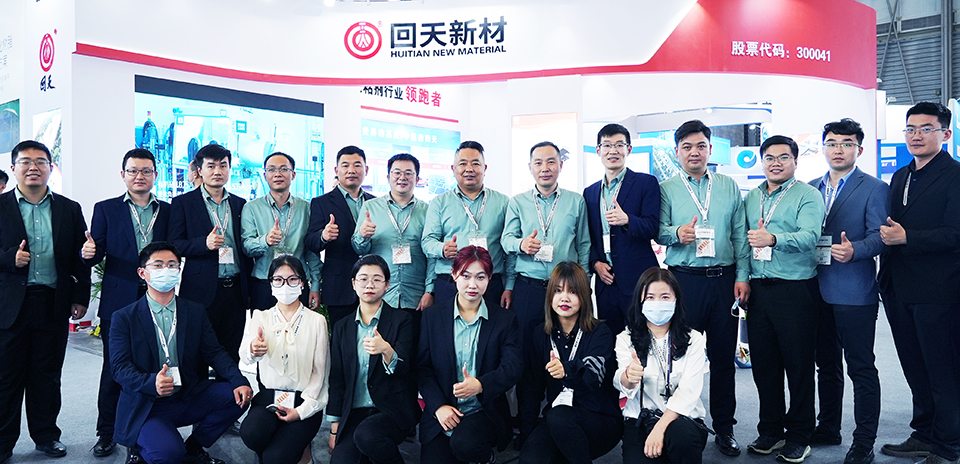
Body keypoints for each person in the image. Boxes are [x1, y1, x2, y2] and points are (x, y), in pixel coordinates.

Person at [111, 241, 253, 464]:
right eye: (158, 265)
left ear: (179, 270)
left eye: (172, 265)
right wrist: (151, 382)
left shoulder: (194, 311)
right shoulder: (124, 317)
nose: (165, 270)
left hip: (186, 395)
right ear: (142, 273)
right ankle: (140, 447)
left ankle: (194, 447)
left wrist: (238, 380)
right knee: (168, 455)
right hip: (148, 403)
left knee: (237, 397)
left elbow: (215, 352)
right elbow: (119, 369)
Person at [657, 120, 750, 456]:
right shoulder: (666, 188)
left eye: (700, 146)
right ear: (677, 152)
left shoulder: (728, 186)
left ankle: (724, 428)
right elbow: (658, 229)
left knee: (723, 358)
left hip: (724, 280)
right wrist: (675, 233)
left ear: (710, 149)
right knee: (681, 357)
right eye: (687, 147)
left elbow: (739, 234)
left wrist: (743, 275)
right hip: (684, 281)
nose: (694, 152)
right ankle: (685, 425)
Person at [878, 101, 960, 464]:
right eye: (910, 129)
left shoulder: (955, 175)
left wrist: (908, 237)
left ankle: (948, 445)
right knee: (915, 368)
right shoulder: (901, 175)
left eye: (926, 128)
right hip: (899, 288)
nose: (916, 135)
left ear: (946, 133)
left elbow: (955, 233)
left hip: (939, 290)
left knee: (943, 371)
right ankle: (924, 434)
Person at [0, 140, 90, 461]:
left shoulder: (69, 208)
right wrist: (9, 259)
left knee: (47, 376)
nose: (33, 168)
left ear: (51, 168)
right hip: (9, 307)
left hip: (52, 302)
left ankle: (47, 436)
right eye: (26, 162)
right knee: (6, 377)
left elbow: (80, 257)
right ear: (14, 168)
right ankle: (3, 442)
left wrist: (80, 296)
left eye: (40, 162)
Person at [81, 148, 172, 459]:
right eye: (133, 171)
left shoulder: (167, 210)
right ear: (123, 175)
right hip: (119, 300)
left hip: (158, 297)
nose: (139, 176)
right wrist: (88, 253)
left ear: (155, 175)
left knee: (152, 365)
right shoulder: (106, 209)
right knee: (114, 368)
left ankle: (145, 431)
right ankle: (106, 433)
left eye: (146, 171)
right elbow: (97, 250)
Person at [500, 141, 590, 445]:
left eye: (551, 162)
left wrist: (584, 288)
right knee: (528, 360)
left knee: (565, 356)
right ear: (530, 168)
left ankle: (560, 427)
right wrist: (521, 245)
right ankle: (527, 431)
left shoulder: (576, 202)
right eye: (538, 162)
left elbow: (584, 245)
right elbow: (506, 241)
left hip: (565, 292)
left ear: (560, 165)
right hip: (529, 289)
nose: (545, 168)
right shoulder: (518, 202)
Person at [809, 119, 887, 464]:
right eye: (831, 143)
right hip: (815, 289)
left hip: (855, 291)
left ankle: (864, 442)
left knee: (860, 367)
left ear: (859, 149)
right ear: (823, 147)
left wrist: (856, 250)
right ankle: (828, 427)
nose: (838, 149)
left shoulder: (874, 188)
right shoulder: (810, 188)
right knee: (826, 365)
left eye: (846, 143)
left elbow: (880, 236)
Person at [744, 135, 825, 463]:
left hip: (795, 290)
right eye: (769, 158)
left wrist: (774, 239)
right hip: (759, 290)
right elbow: (744, 241)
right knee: (764, 366)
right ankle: (771, 431)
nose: (775, 163)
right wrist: (742, 278)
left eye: (783, 157)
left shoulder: (808, 195)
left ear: (795, 161)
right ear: (762, 161)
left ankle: (800, 435)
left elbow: (810, 236)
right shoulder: (752, 196)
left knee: (799, 366)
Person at [417, 245, 522, 464]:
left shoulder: (504, 320)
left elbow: (513, 367)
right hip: (443, 411)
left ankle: (486, 458)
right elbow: (422, 369)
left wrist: (481, 385)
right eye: (466, 276)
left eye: (480, 277)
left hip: (484, 411)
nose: (472, 285)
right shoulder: (433, 317)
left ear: (490, 278)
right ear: (454, 274)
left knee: (465, 445)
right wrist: (438, 407)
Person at [519, 261, 622, 463]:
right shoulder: (540, 334)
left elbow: (593, 376)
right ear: (550, 295)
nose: (564, 298)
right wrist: (527, 433)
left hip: (599, 419)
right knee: (531, 458)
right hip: (558, 420)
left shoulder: (600, 332)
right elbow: (532, 387)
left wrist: (566, 371)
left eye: (573, 292)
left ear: (584, 296)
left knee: (559, 418)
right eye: (558, 291)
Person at [327, 254, 420, 464]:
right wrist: (334, 427)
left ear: (387, 285)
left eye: (377, 279)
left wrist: (387, 351)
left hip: (391, 410)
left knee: (368, 437)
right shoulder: (342, 327)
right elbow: (337, 378)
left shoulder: (402, 320)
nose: (370, 285)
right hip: (355, 411)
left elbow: (406, 370)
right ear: (353, 284)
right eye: (363, 279)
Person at [168, 144, 252, 371]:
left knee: (231, 352)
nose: (218, 171)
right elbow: (174, 244)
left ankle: (228, 393)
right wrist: (203, 244)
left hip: (235, 291)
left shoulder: (240, 204)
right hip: (200, 290)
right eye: (211, 166)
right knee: (197, 353)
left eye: (223, 166)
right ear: (199, 170)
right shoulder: (183, 203)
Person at [239, 255, 329, 464]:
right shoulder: (261, 316)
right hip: (269, 398)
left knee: (276, 457)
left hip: (303, 398)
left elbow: (320, 373)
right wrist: (253, 350)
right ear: (271, 284)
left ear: (302, 283)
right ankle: (283, 447)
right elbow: (245, 355)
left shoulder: (317, 321)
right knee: (251, 433)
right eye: (278, 280)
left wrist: (301, 411)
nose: (285, 285)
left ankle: (299, 449)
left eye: (292, 279)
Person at [614, 267, 709, 464]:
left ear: (676, 300)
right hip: (640, 421)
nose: (657, 303)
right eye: (650, 297)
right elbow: (623, 384)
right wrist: (629, 377)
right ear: (640, 301)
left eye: (665, 297)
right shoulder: (625, 338)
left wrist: (660, 428)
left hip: (682, 421)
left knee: (681, 435)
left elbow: (689, 391)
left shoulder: (694, 339)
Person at [584, 123, 661, 335]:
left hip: (638, 280)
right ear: (598, 150)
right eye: (607, 145)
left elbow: (653, 227)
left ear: (629, 149)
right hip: (606, 282)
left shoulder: (646, 183)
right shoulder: (590, 192)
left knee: (643, 338)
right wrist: (595, 263)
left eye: (619, 145)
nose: (613, 151)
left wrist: (628, 220)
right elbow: (588, 237)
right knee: (609, 340)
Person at [421, 141, 516, 309]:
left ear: (485, 168)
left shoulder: (503, 202)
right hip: (450, 282)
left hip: (490, 283)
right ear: (453, 169)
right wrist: (442, 249)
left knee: (491, 326)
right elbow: (427, 242)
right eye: (463, 163)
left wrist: (509, 286)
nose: (469, 169)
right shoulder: (439, 203)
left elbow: (509, 249)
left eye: (475, 163)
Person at [351, 153, 434, 321]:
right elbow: (359, 249)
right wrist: (363, 235)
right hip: (380, 295)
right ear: (388, 177)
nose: (402, 177)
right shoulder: (371, 207)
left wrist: (429, 291)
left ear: (417, 179)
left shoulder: (428, 211)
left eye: (408, 173)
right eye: (397, 172)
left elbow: (432, 255)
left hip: (416, 296)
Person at [241, 152, 321, 311]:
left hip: (297, 283)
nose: (277, 174)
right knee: (264, 327)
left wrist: (315, 285)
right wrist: (265, 241)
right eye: (272, 169)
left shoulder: (306, 208)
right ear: (265, 175)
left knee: (299, 326)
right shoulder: (251, 208)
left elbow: (312, 251)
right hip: (265, 284)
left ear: (293, 174)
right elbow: (246, 247)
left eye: (284, 169)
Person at [306, 146, 376, 327]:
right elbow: (310, 242)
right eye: (345, 165)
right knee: (341, 338)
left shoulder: (376, 203)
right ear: (337, 170)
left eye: (357, 165)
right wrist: (323, 236)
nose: (351, 170)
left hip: (373, 285)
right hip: (339, 286)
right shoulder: (321, 202)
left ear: (366, 170)